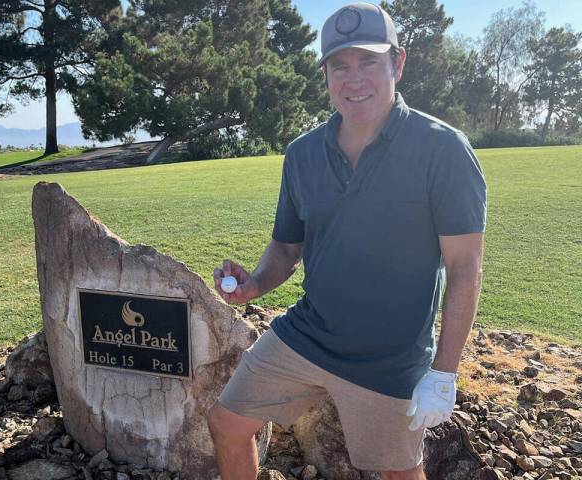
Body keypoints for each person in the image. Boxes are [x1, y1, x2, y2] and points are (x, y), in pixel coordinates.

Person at [206, 3, 487, 480]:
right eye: (340, 65)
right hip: (309, 334)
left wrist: (443, 373)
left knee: (400, 474)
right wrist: (254, 284)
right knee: (226, 422)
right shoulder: (302, 154)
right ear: (326, 74)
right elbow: (287, 248)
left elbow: (465, 267)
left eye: (369, 62)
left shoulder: (442, 149)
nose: (354, 79)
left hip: (390, 356)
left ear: (397, 63)